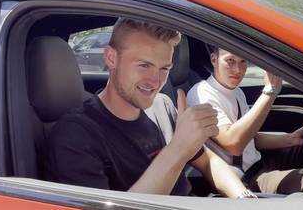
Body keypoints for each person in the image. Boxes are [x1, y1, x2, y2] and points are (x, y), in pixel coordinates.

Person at [47, 19, 253, 198]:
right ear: (111, 58)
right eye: (144, 65)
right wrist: (178, 150)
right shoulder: (77, 135)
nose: (155, 81)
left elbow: (208, 161)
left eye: (164, 68)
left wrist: (244, 198)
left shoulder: (162, 105)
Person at [187, 47, 303, 195]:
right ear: (214, 59)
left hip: (260, 162)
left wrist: (290, 140)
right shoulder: (202, 94)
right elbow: (233, 144)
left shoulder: (236, 92)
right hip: (246, 179)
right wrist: (269, 92)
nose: (238, 70)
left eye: (243, 61)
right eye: (230, 61)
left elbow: (249, 137)